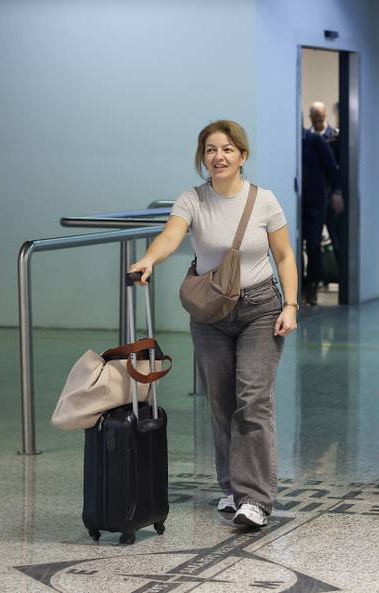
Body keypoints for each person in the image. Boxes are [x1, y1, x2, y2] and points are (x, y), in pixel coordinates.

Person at [129, 120, 299, 527]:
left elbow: (285, 257)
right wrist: (150, 258)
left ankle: (256, 498)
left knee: (252, 399)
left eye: (227, 149)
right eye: (210, 150)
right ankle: (231, 488)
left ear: (242, 156)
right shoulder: (192, 199)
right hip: (210, 315)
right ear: (202, 157)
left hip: (260, 308)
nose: (218, 157)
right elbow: (171, 236)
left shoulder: (264, 201)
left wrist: (290, 305)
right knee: (221, 402)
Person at [301, 118, 341, 305]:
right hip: (294, 203)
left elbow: (332, 168)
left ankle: (312, 285)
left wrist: (336, 192)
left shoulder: (314, 141)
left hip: (315, 203)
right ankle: (300, 287)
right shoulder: (289, 141)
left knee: (314, 246)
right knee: (293, 247)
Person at [308, 101, 344, 290]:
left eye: (320, 117)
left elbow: (335, 168)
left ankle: (342, 280)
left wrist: (337, 192)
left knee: (336, 239)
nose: (318, 120)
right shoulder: (306, 139)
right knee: (313, 243)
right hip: (314, 197)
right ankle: (317, 280)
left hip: (330, 197)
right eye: (314, 118)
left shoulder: (335, 137)